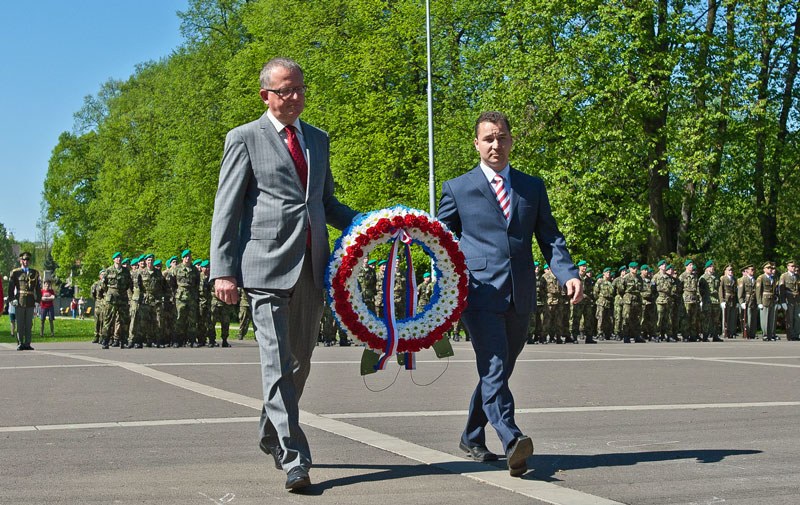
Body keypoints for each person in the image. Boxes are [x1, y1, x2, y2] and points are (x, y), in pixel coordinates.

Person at [209, 57, 358, 490]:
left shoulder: (318, 140)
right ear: (266, 96)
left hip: (311, 267)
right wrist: (224, 270)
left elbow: (325, 204)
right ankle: (296, 458)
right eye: (284, 91)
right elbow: (227, 208)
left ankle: (270, 430)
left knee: (301, 362)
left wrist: (371, 222)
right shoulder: (244, 139)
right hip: (263, 266)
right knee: (276, 362)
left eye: (299, 90)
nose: (294, 98)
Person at [437, 111, 582, 478]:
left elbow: (549, 236)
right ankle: (512, 439)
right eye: (488, 138)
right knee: (495, 366)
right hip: (479, 294)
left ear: (511, 140)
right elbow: (441, 239)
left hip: (520, 293)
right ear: (476, 144)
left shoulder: (531, 187)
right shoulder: (458, 188)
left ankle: (471, 435)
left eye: (501, 137)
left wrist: (567, 272)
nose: (495, 145)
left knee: (500, 370)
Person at [7, 252, 42, 350]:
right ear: (21, 261)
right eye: (24, 260)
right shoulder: (15, 273)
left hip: (30, 301)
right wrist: (12, 299)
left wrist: (37, 300)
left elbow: (38, 289)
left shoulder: (34, 273)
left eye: (28, 260)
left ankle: (27, 343)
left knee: (28, 324)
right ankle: (20, 343)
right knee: (20, 323)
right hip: (20, 301)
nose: (26, 262)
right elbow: (10, 288)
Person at [755, 261, 778, 341]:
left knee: (771, 318)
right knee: (765, 318)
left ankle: (770, 334)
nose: (770, 269)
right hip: (764, 299)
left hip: (772, 300)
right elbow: (758, 291)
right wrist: (759, 302)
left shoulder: (773, 278)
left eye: (771, 268)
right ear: (764, 269)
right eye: (768, 268)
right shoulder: (761, 278)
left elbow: (774, 290)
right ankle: (765, 334)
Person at [778, 260, 800, 341]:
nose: (793, 268)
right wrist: (783, 301)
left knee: (797, 318)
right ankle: (790, 335)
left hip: (797, 300)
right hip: (789, 300)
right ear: (788, 267)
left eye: (794, 266)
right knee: (789, 318)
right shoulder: (784, 276)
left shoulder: (797, 276)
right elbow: (781, 290)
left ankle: (796, 334)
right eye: (792, 266)